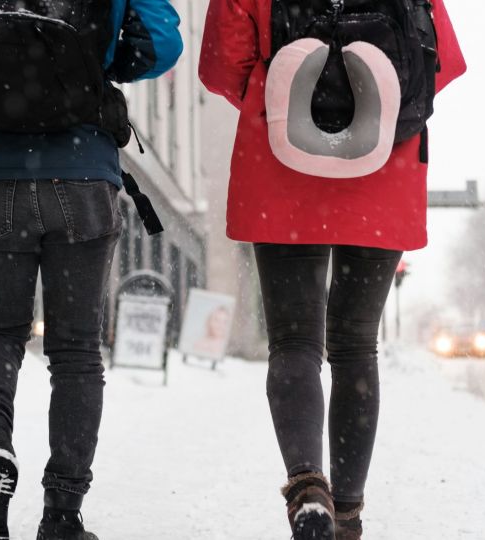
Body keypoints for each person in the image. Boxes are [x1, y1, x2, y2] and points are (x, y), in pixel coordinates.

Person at [0, 1, 182, 539]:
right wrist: (94, 64)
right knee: (75, 354)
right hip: (84, 174)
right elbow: (162, 45)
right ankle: (63, 515)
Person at [199, 1, 465, 538]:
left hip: (280, 165)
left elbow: (219, 66)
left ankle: (306, 488)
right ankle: (346, 519)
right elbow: (444, 62)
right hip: (383, 168)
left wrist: (286, 106)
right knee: (354, 346)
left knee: (295, 342)